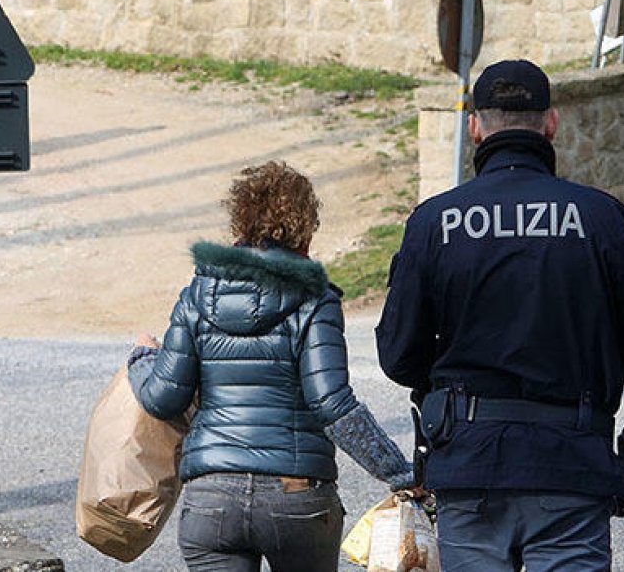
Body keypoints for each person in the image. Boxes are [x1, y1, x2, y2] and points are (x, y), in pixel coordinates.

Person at [375, 59, 624, 571]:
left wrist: (453, 383)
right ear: (550, 124)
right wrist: (586, 367)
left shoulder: (434, 222)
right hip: (570, 463)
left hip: (470, 464)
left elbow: (398, 354)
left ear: (474, 127)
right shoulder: (598, 217)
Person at [128, 161, 417, 572]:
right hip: (296, 496)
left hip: (213, 496)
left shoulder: (198, 295)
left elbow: (163, 396)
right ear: (304, 229)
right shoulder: (315, 299)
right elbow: (332, 404)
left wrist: (142, 358)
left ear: (239, 223)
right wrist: (398, 471)